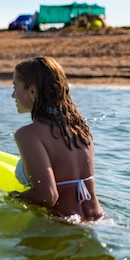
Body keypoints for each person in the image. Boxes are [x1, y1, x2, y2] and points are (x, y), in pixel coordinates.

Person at [9, 57, 106, 222]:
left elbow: (47, 196)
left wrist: (12, 198)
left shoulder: (28, 134)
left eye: (15, 87)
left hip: (64, 225)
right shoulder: (81, 127)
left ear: (32, 91)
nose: (13, 95)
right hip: (101, 221)